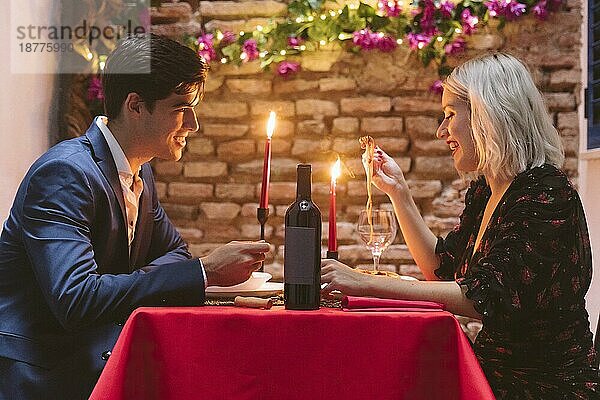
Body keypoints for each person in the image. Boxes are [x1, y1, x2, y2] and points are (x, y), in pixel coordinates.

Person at [0, 34, 270, 399]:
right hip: (43, 378)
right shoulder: (65, 173)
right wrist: (204, 272)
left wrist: (118, 283)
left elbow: (174, 251)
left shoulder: (139, 171)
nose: (193, 125)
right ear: (135, 106)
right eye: (180, 107)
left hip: (98, 367)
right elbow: (77, 300)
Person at [321, 53, 598, 398]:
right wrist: (399, 193)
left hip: (541, 387)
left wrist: (365, 283)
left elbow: (482, 297)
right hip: (493, 373)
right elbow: (442, 271)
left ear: (488, 115)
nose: (441, 131)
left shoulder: (546, 193)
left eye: (450, 115)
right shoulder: (488, 188)